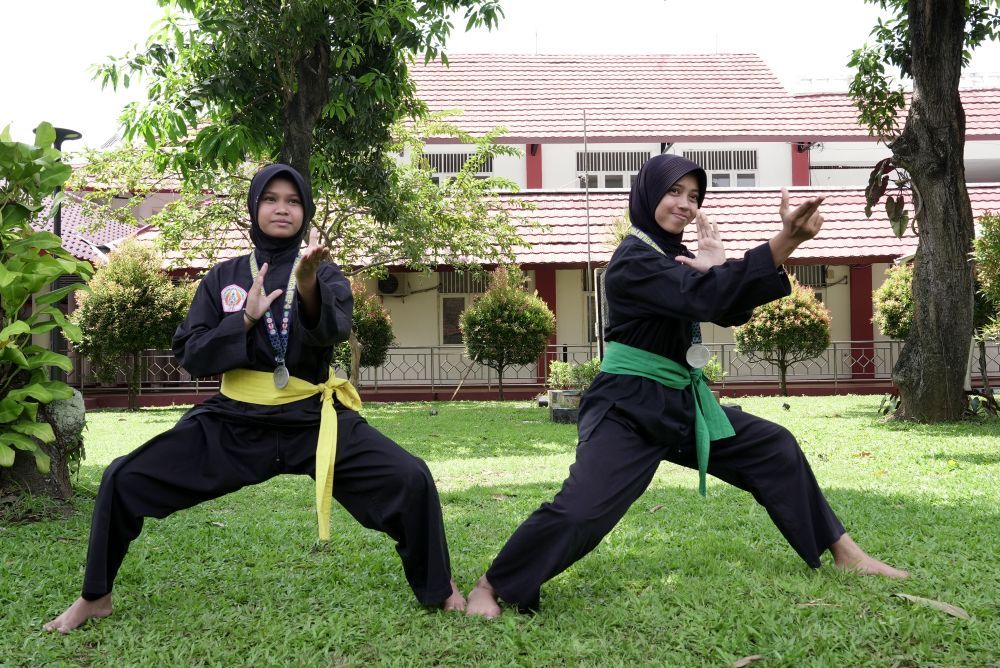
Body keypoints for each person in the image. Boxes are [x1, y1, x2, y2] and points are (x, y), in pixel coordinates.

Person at [466, 154, 908, 618]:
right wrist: (782, 241)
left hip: (681, 402)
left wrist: (717, 266)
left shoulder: (670, 257)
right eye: (674, 192)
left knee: (774, 447)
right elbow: (707, 295)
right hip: (628, 407)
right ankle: (491, 585)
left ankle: (846, 555)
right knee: (583, 511)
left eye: (694, 197)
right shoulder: (631, 260)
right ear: (646, 195)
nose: (685, 205)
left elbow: (725, 308)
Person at [45, 163, 465, 634]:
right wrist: (241, 321)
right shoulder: (222, 276)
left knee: (411, 477)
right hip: (234, 422)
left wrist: (307, 286)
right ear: (254, 207)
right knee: (123, 477)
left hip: (314, 418)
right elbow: (192, 353)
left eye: (293, 201)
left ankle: (440, 588)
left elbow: (334, 329)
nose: (282, 209)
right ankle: (95, 596)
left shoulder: (325, 273)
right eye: (271, 199)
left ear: (304, 211)